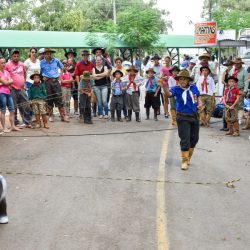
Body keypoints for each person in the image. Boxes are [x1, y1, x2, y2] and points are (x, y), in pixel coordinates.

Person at [159, 69, 202, 170]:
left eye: (184, 79)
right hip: (182, 117)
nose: (182, 81)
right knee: (185, 139)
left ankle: (189, 157)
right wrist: (164, 86)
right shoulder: (176, 89)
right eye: (180, 79)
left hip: (194, 116)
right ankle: (184, 160)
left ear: (188, 80)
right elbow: (169, 94)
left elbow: (198, 96)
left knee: (194, 139)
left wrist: (200, 104)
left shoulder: (193, 87)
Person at [5, 50, 33, 128]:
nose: (16, 57)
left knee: (25, 104)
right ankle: (15, 123)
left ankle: (27, 122)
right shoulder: (7, 65)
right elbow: (5, 75)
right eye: (14, 56)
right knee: (13, 106)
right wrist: (8, 85)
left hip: (21, 88)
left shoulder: (22, 64)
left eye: (17, 56)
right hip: (12, 89)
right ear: (11, 57)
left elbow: (24, 74)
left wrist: (24, 83)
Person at [40, 48, 69, 122]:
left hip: (55, 81)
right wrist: (42, 77)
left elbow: (62, 67)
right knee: (49, 98)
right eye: (47, 53)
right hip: (47, 82)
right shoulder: (41, 62)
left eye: (50, 53)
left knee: (59, 97)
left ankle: (63, 116)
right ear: (44, 54)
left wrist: (60, 76)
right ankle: (51, 115)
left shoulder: (56, 60)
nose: (49, 55)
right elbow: (38, 72)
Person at [0, 57, 20, 132]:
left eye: (4, 62)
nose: (3, 64)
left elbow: (11, 82)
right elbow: (7, 82)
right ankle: (4, 127)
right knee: (3, 110)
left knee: (12, 110)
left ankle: (12, 126)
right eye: (2, 63)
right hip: (1, 93)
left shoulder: (7, 72)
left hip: (8, 92)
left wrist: (5, 83)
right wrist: (6, 82)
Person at [74, 50, 95, 117]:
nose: (86, 56)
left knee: (89, 98)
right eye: (84, 55)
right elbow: (77, 75)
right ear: (82, 56)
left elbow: (92, 73)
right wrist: (79, 84)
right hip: (82, 83)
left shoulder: (91, 64)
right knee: (81, 98)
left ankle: (89, 113)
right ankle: (81, 113)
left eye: (87, 55)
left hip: (89, 83)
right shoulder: (78, 64)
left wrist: (91, 85)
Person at [229, 58, 249, 125]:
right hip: (232, 89)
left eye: (238, 63)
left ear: (240, 64)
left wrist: (245, 91)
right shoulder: (232, 70)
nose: (236, 64)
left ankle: (239, 119)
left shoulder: (244, 71)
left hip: (240, 89)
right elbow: (229, 78)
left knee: (240, 104)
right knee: (232, 103)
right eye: (235, 63)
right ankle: (234, 118)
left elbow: (246, 81)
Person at [220, 60, 234, 131]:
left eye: (230, 65)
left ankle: (231, 126)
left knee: (232, 107)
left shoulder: (234, 71)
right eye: (228, 65)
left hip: (233, 90)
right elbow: (222, 80)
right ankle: (225, 125)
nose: (229, 66)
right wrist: (226, 83)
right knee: (225, 107)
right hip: (226, 89)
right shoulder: (225, 72)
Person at [65, 49, 78, 115]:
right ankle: (67, 111)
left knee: (75, 97)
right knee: (67, 97)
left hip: (75, 82)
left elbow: (77, 73)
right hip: (67, 83)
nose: (70, 56)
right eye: (69, 55)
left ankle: (76, 110)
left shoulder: (76, 64)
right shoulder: (65, 64)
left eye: (71, 55)